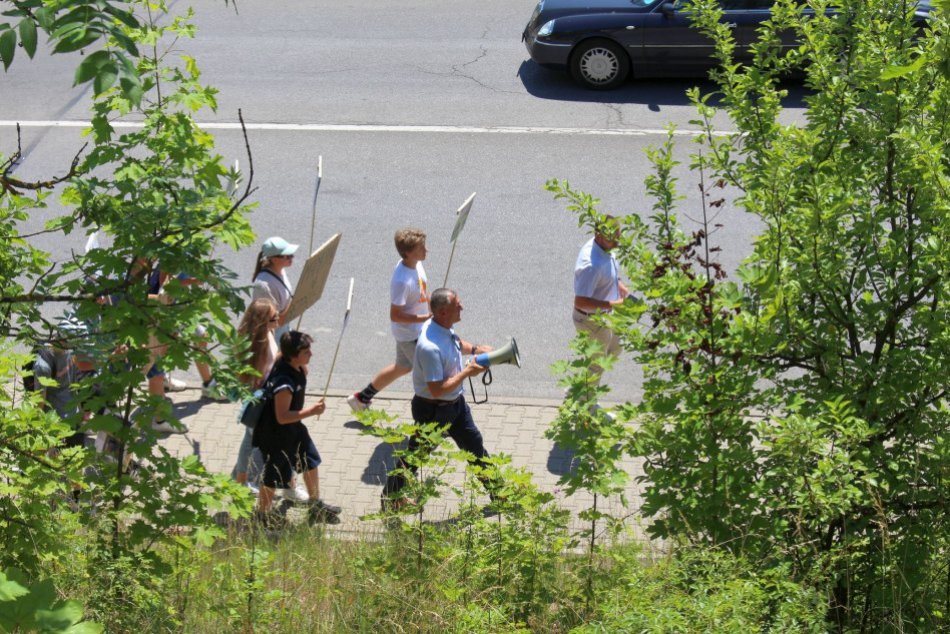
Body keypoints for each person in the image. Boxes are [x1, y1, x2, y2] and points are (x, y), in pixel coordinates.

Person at [382, 288, 499, 509]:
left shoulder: (442, 326)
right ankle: (390, 499)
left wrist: (474, 349)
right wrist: (467, 372)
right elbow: (437, 389)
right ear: (444, 312)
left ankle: (499, 493)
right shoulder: (430, 347)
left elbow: (455, 342)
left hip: (456, 407)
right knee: (415, 457)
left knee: (475, 448)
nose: (462, 306)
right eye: (458, 305)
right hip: (433, 411)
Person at [252, 331, 341, 526]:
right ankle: (261, 516)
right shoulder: (284, 382)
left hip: (294, 429)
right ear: (293, 355)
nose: (311, 353)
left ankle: (315, 505)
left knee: (310, 461)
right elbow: (282, 417)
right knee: (273, 477)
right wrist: (312, 410)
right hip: (276, 434)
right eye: (306, 350)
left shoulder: (293, 364)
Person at [348, 228, 431, 411]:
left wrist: (431, 309)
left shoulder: (416, 264)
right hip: (410, 336)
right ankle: (432, 418)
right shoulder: (402, 281)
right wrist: (423, 317)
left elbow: (423, 291)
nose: (426, 250)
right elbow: (395, 315)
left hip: (417, 330)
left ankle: (361, 399)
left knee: (402, 367)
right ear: (408, 253)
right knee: (429, 376)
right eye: (421, 248)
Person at [231, 298, 280, 494]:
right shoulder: (259, 344)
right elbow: (259, 377)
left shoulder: (265, 334)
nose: (278, 319)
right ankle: (244, 482)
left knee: (249, 440)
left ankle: (241, 480)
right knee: (256, 441)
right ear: (262, 322)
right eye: (273, 317)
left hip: (260, 397)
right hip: (260, 399)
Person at [572, 216, 629, 383]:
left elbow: (608, 269)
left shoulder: (605, 247)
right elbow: (580, 302)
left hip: (606, 315)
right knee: (596, 365)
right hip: (591, 320)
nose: (617, 242)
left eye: (618, 236)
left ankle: (581, 393)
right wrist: (612, 303)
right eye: (613, 238)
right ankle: (584, 403)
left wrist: (618, 283)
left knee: (617, 346)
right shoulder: (591, 265)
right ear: (598, 236)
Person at [251, 237, 298, 340]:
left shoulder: (281, 271)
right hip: (272, 337)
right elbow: (276, 322)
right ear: (274, 259)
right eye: (287, 256)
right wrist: (297, 300)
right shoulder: (264, 286)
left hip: (283, 329)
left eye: (292, 255)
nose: (291, 258)